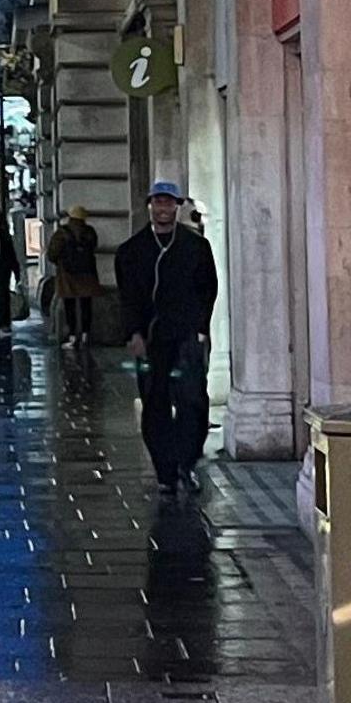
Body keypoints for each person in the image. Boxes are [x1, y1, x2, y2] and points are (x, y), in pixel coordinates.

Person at [116, 182, 223, 496]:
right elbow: (127, 298)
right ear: (150, 206)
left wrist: (201, 328)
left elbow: (208, 289)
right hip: (151, 339)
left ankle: (186, 463)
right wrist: (133, 333)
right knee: (155, 403)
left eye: (169, 203)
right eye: (158, 203)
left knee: (193, 401)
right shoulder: (131, 251)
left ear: (177, 207)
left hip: (186, 335)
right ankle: (165, 471)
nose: (163, 209)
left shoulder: (195, 247)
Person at [48, 208, 102, 347]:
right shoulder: (89, 232)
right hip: (87, 273)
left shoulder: (62, 233)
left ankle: (72, 336)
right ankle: (85, 335)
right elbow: (94, 247)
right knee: (86, 304)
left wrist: (61, 262)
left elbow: (52, 254)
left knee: (69, 305)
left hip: (67, 274)